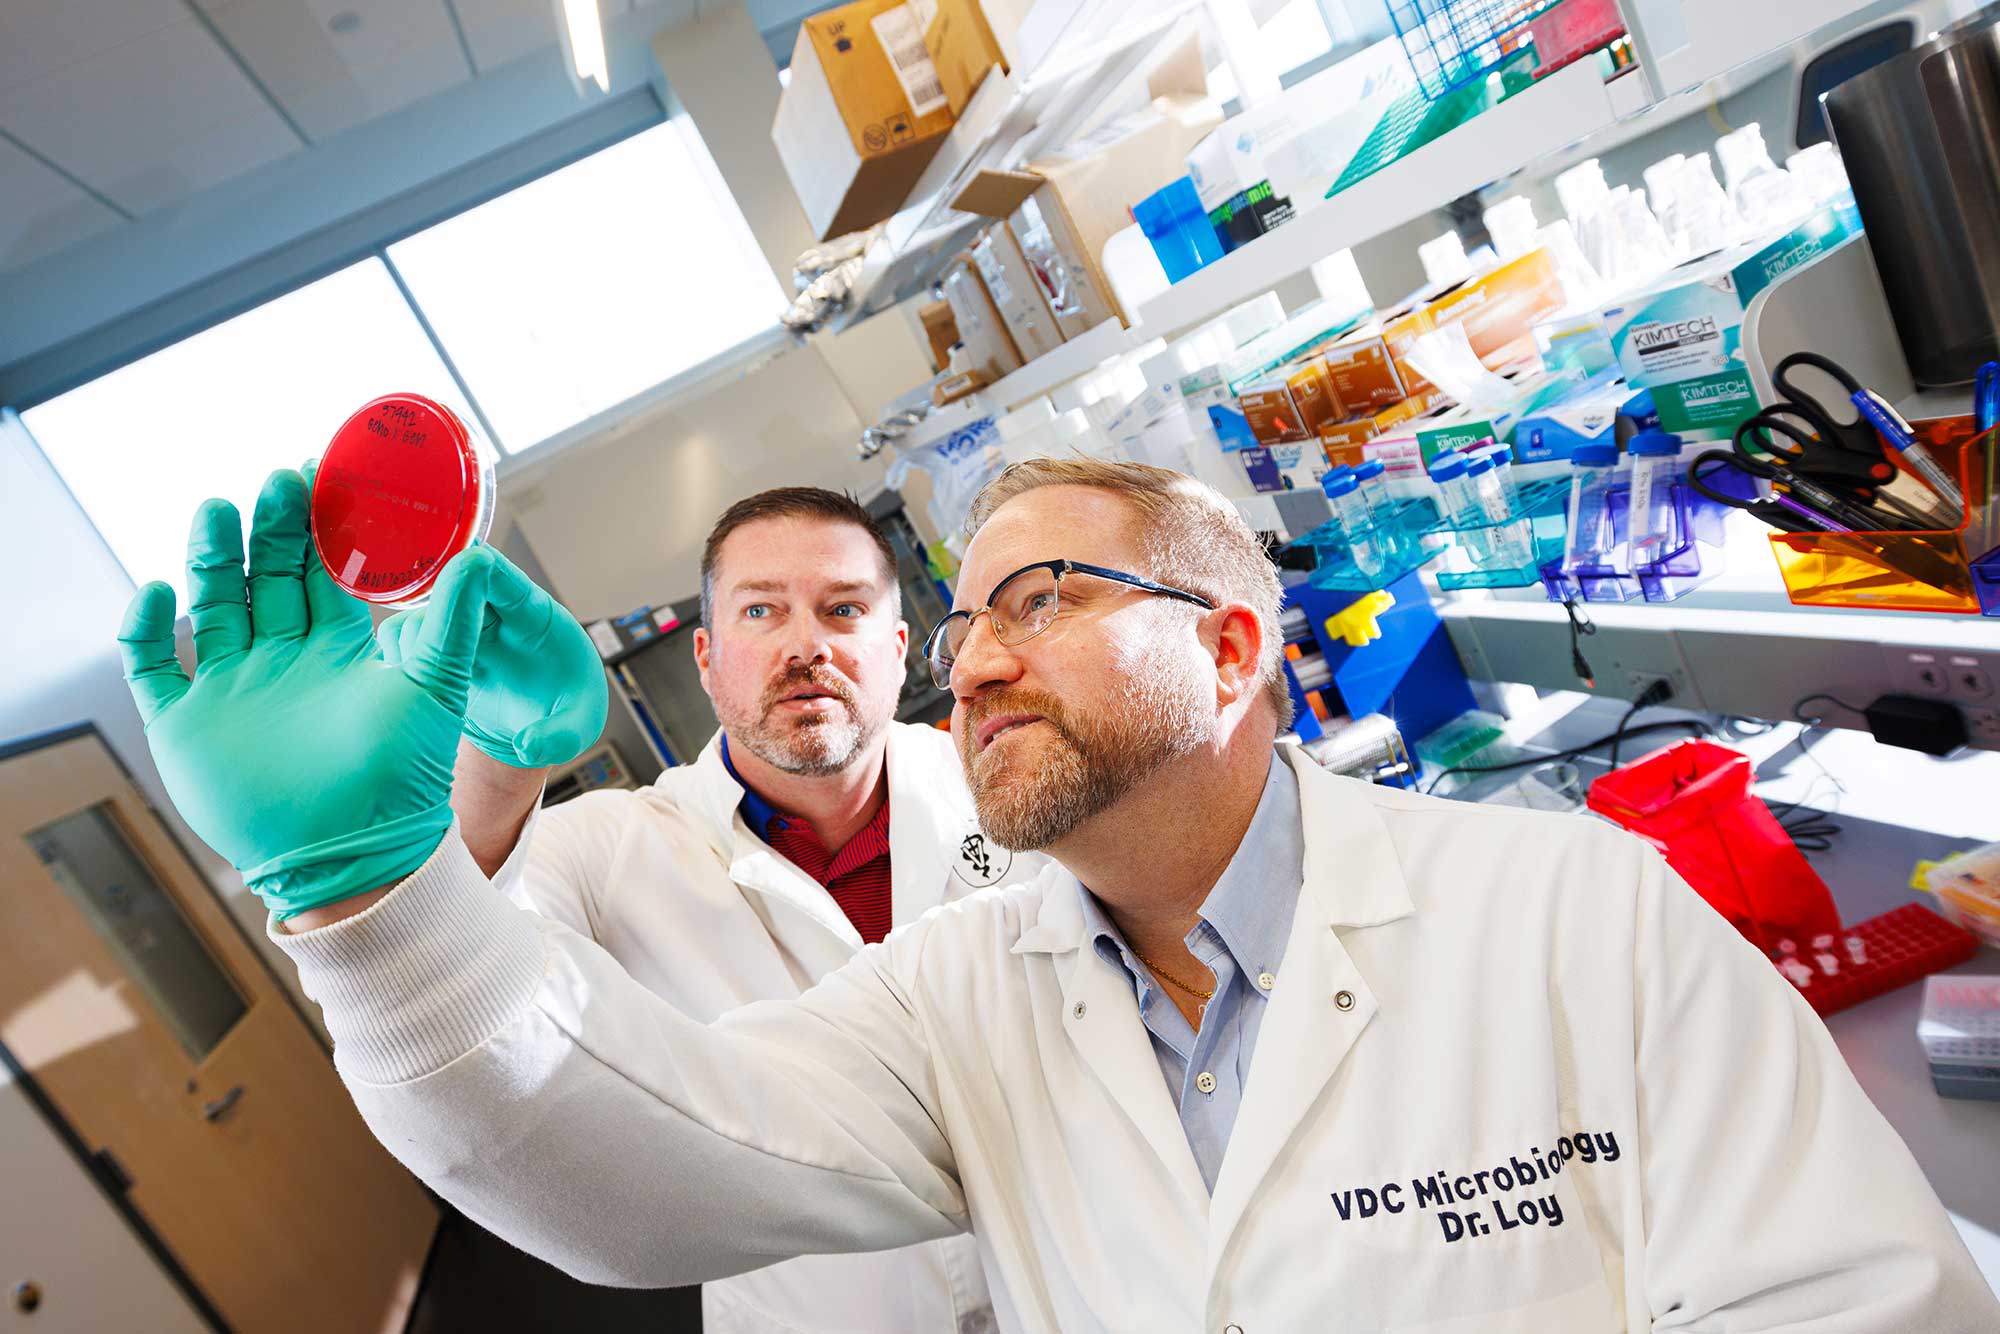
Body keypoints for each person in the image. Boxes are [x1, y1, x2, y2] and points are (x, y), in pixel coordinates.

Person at [123, 459, 1998, 1332]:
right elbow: (635, 1157)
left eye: (1048, 596)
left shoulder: (1568, 907)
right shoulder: (964, 988)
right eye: (969, 619)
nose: (977, 656)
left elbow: (1858, 1301)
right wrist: (376, 897)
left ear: (1243, 641)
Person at [131, 472, 1024, 1333]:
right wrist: (472, 782)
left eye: (843, 609)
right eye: (760, 610)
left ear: (902, 647)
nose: (806, 646)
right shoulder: (608, 846)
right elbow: (473, 976)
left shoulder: (1023, 790)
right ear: (707, 661)